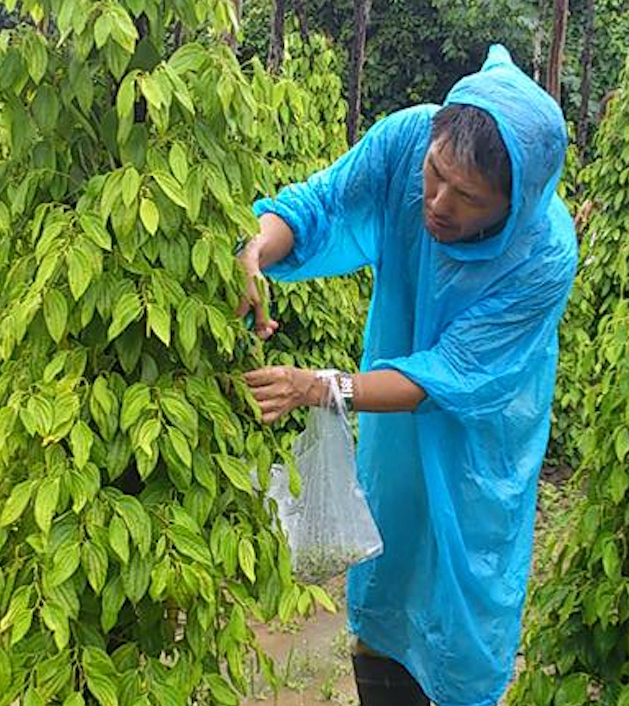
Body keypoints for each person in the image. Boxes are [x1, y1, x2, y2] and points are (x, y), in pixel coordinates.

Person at [238, 46, 578, 706]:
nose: (437, 201)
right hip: (394, 436)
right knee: (387, 576)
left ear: (514, 205)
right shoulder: (405, 141)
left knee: (459, 598)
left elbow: (451, 375)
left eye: (468, 197)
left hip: (477, 449)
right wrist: (256, 244)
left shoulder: (541, 255)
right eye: (435, 175)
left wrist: (324, 386)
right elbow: (319, 206)